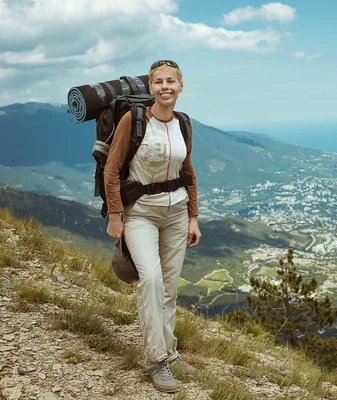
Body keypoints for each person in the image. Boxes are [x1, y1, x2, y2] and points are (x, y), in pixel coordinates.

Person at [104, 60, 201, 393]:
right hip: (140, 213)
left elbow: (188, 172)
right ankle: (157, 360)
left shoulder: (184, 124)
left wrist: (193, 216)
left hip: (176, 214)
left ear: (180, 86)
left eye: (171, 81)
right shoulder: (134, 121)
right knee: (152, 280)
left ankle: (171, 353)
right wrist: (116, 217)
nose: (165, 87)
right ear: (151, 87)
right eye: (158, 81)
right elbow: (112, 170)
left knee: (170, 289)